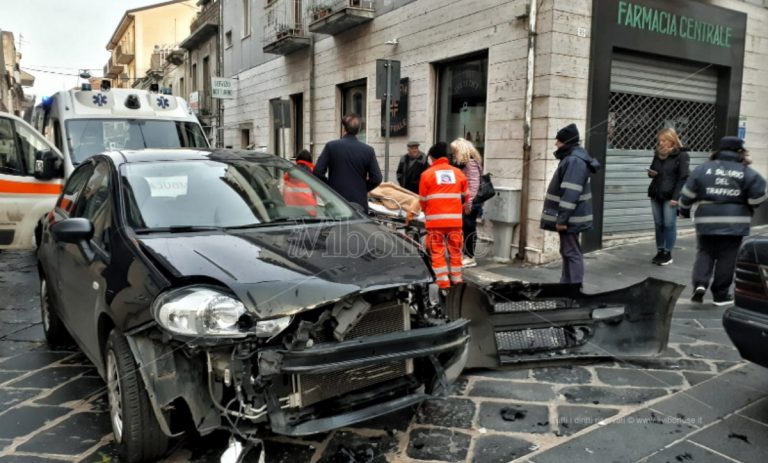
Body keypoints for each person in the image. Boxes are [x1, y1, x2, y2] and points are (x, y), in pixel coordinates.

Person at [679, 136, 766, 306]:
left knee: (705, 252)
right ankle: (720, 294)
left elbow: (687, 195)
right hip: (735, 223)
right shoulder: (746, 172)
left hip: (706, 220)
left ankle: (700, 285)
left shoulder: (703, 169)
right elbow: (758, 200)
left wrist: (684, 210)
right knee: (727, 257)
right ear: (740, 152)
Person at [540, 123, 601, 285]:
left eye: (558, 141)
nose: (556, 144)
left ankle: (573, 289)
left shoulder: (574, 161)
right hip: (573, 217)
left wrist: (562, 219)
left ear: (566, 142)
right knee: (568, 251)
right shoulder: (573, 158)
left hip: (570, 218)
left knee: (572, 252)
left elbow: (570, 193)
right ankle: (566, 286)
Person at [419, 142, 469, 292]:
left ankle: (444, 284)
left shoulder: (426, 175)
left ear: (433, 158)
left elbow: (422, 200)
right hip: (455, 222)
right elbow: (466, 197)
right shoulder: (458, 173)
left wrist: (427, 212)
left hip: (435, 223)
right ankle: (457, 280)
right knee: (455, 252)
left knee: (438, 253)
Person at [314, 113, 382, 210]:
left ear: (343, 129)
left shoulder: (331, 146)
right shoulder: (368, 150)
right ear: (358, 131)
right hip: (359, 204)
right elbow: (377, 178)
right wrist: (362, 189)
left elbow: (317, 172)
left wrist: (329, 189)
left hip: (335, 201)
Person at [647, 128, 690, 266]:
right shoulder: (658, 153)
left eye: (664, 140)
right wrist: (651, 173)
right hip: (656, 192)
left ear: (672, 140)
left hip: (671, 195)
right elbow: (653, 169)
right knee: (659, 224)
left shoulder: (682, 155)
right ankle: (660, 250)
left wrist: (676, 197)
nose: (661, 143)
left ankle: (667, 253)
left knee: (669, 224)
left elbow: (683, 177)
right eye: (659, 140)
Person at [450, 137, 483, 268]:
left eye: (455, 151)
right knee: (466, 228)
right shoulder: (467, 163)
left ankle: (470, 257)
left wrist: (468, 203)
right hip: (467, 202)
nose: (453, 153)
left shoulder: (471, 164)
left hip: (470, 203)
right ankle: (466, 255)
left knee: (469, 229)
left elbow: (473, 186)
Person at [283, 149, 317, 215]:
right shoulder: (313, 172)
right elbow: (314, 192)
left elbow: (284, 191)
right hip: (309, 210)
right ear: (310, 160)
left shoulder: (289, 172)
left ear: (297, 160)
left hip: (291, 209)